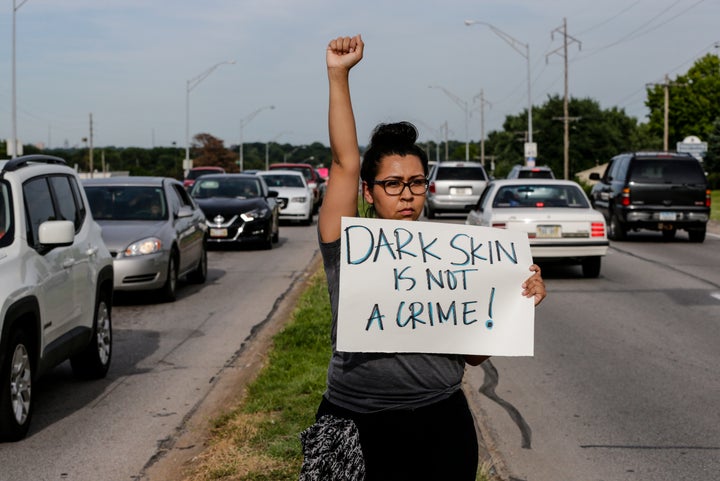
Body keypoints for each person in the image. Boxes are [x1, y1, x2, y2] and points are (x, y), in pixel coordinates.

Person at [300, 34, 546, 481]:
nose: (407, 194)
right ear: (368, 193)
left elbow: (473, 358)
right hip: (353, 418)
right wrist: (338, 76)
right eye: (393, 184)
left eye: (416, 182)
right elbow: (343, 162)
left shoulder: (457, 255)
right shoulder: (348, 243)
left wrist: (516, 299)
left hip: (440, 419)